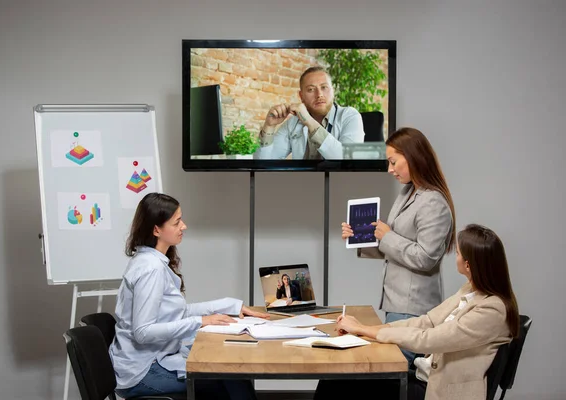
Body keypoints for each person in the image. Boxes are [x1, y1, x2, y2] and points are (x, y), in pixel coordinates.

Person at [315, 224, 520, 400]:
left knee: (336, 384)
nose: (454, 256)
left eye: (457, 253)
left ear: (468, 264)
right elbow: (427, 322)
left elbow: (427, 339)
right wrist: (364, 329)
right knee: (335, 379)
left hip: (437, 390)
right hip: (423, 377)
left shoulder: (492, 310)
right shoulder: (470, 291)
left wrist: (364, 330)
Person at [109, 192, 269, 400]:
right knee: (231, 378)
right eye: (176, 223)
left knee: (234, 377)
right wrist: (199, 322)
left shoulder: (152, 262)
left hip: (152, 361)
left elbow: (177, 312)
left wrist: (230, 306)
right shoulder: (151, 269)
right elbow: (143, 331)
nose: (183, 226)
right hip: (142, 372)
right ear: (157, 229)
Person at [341, 127, 456, 366]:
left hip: (414, 311)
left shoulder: (433, 202)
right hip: (396, 304)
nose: (389, 170)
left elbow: (425, 258)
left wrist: (388, 235)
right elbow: (393, 246)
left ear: (413, 157)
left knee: (385, 371)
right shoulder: (407, 193)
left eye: (393, 162)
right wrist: (359, 239)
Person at [253, 66, 364, 160]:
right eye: (311, 89)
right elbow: (262, 163)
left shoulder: (350, 116)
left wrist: (309, 122)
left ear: (333, 91)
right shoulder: (292, 123)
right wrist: (269, 126)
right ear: (301, 96)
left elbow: (347, 160)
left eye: (324, 87)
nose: (319, 94)